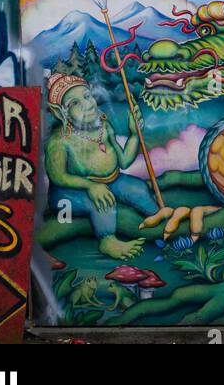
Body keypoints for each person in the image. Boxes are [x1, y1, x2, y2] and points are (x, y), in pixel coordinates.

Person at [43, 73, 156, 261]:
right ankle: (107, 240)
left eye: (87, 96)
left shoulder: (104, 126)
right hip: (70, 191)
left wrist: (134, 135)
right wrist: (91, 186)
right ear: (60, 112)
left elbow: (123, 161)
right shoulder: (59, 141)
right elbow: (58, 176)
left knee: (138, 188)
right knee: (102, 202)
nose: (86, 104)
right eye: (74, 103)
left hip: (111, 180)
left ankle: (158, 217)